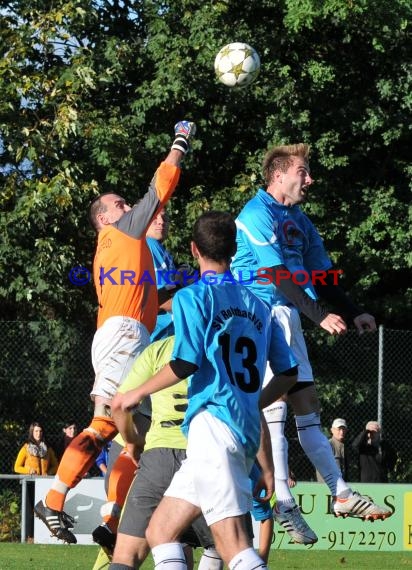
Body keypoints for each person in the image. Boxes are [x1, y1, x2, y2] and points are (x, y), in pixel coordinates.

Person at [34, 120, 196, 544]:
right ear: (103, 217)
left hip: (127, 335)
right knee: (105, 424)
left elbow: (156, 299)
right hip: (123, 336)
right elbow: (159, 189)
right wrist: (179, 142)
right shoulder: (120, 230)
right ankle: (52, 500)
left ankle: (112, 521)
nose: (129, 207)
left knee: (134, 443)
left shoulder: (119, 248)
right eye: (119, 203)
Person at [113, 211, 299, 570]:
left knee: (235, 546)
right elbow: (288, 373)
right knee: (160, 532)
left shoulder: (192, 296)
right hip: (238, 429)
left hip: (212, 427)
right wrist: (250, 401)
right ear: (233, 249)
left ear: (194, 250)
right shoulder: (259, 304)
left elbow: (185, 362)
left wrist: (135, 394)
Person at [231, 142, 392, 544]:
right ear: (278, 175)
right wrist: (319, 315)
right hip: (258, 315)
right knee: (279, 404)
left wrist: (353, 311)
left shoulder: (299, 220)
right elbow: (276, 275)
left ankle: (339, 493)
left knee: (308, 407)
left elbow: (322, 276)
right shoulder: (255, 214)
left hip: (286, 316)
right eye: (303, 171)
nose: (309, 179)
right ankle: (282, 497)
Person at [109, 335, 223, 570]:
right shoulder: (220, 344)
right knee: (222, 547)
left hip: (158, 458)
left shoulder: (158, 350)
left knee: (126, 556)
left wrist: (132, 443)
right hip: (207, 454)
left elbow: (118, 406)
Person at [14, 422, 59, 540]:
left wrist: (49, 473)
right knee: (30, 511)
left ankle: (45, 536)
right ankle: (30, 536)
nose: (38, 434)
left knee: (45, 510)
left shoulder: (47, 449)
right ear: (32, 433)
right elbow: (17, 467)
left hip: (44, 483)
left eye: (40, 431)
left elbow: (56, 465)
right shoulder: (25, 448)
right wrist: (28, 470)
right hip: (30, 483)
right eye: (36, 431)